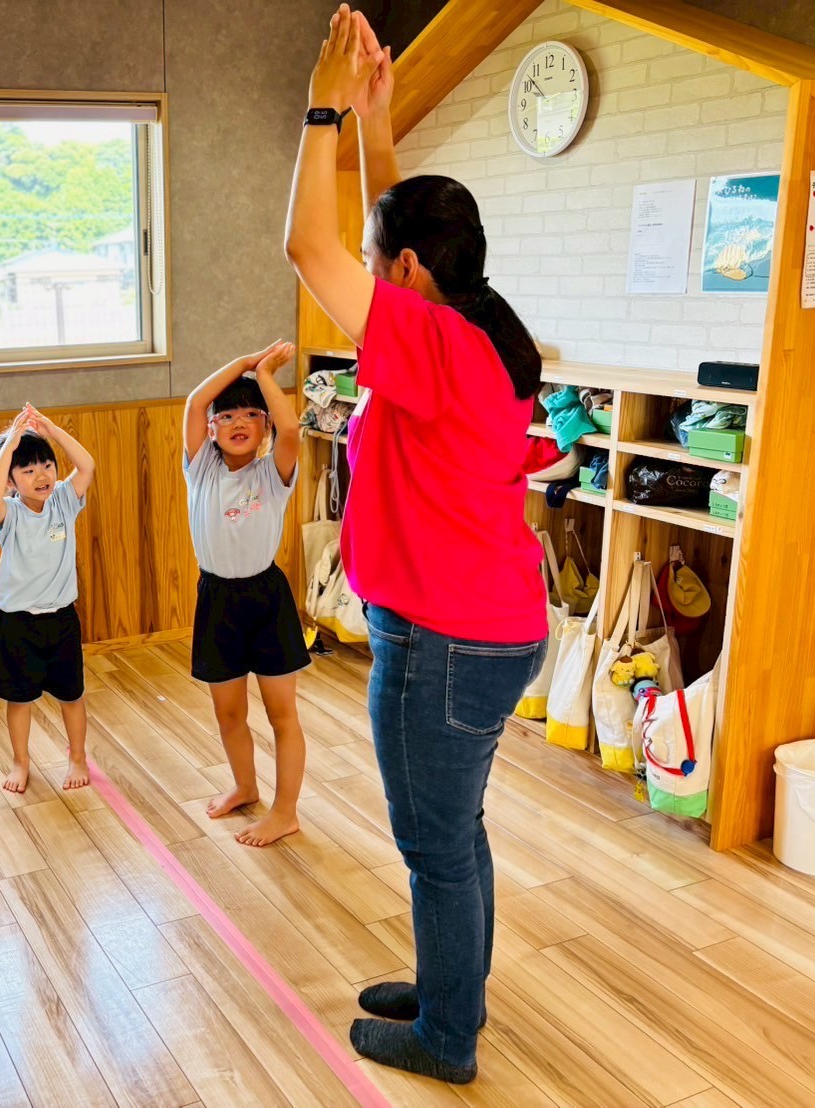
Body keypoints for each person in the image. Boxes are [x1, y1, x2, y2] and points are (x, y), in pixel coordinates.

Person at [285, 6, 548, 1084]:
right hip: (482, 626)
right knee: (456, 833)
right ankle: (451, 994)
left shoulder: (432, 341)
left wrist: (322, 109)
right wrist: (377, 125)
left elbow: (308, 247)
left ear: (400, 270)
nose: (366, 274)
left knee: (435, 847)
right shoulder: (474, 322)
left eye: (378, 262)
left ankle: (446, 1038)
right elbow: (383, 236)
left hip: (441, 640)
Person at [182, 341, 310, 847]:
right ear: (212, 429)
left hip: (266, 599)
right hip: (217, 600)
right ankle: (245, 785)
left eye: (252, 414)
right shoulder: (200, 467)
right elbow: (196, 402)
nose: (239, 422)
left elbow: (293, 430)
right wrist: (245, 362)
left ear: (265, 427)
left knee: (282, 714)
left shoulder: (272, 474)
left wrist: (265, 377)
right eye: (228, 415)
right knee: (229, 713)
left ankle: (285, 811)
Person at [0, 404, 96, 793]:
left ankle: (77, 756)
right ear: (11, 481)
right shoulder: (8, 513)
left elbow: (87, 465)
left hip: (61, 620)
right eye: (28, 470)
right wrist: (10, 444)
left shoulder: (64, 500)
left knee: (72, 696)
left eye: (47, 465)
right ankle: (21, 761)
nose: (42, 475)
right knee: (19, 700)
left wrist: (52, 431)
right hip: (17, 624)